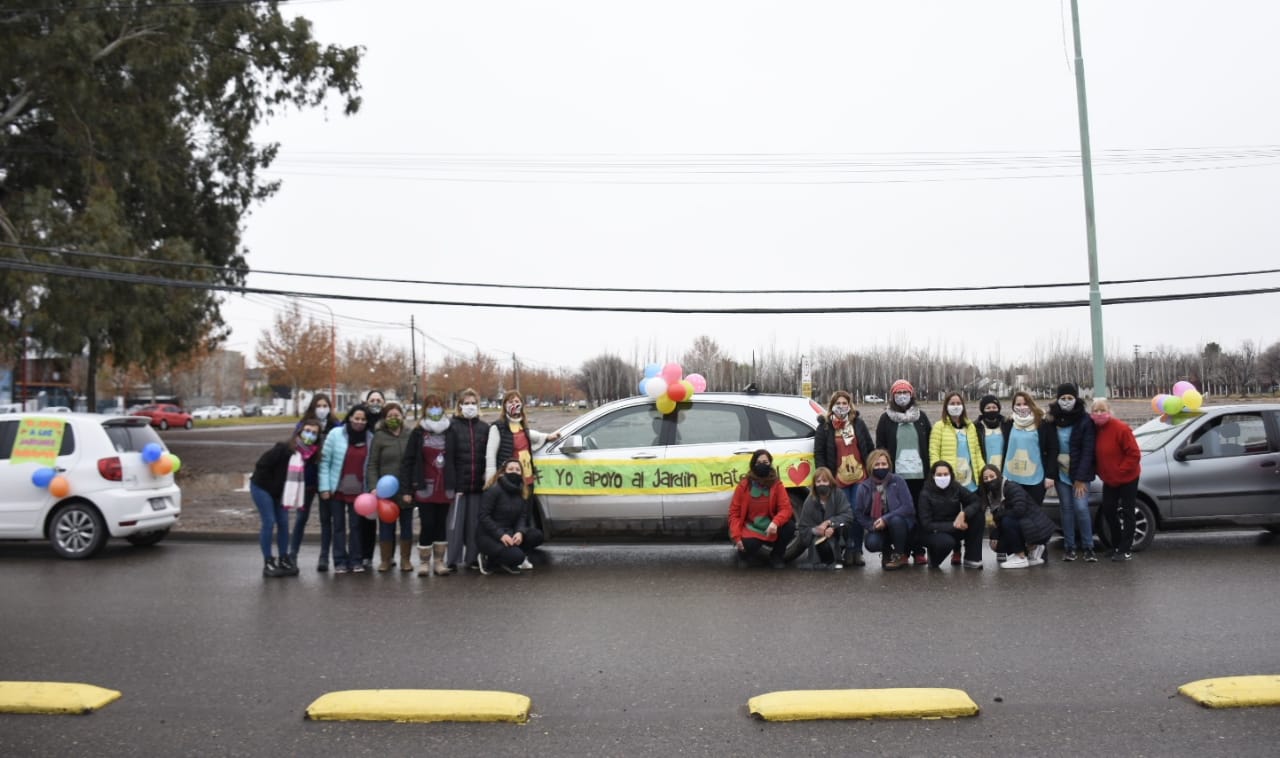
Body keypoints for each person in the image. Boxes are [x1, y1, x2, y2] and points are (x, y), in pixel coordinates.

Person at [249, 419, 322, 577]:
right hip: (262, 487)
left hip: (281, 493)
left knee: (283, 523)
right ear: (299, 432)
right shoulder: (283, 449)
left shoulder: (310, 455)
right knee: (269, 521)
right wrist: (273, 485)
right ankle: (268, 561)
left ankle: (283, 558)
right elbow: (261, 465)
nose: (310, 435)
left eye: (314, 433)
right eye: (307, 431)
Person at [812, 390, 874, 565]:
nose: (841, 406)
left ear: (849, 405)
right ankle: (846, 549)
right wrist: (825, 476)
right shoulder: (825, 427)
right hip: (838, 479)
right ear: (832, 406)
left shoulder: (858, 424)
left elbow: (869, 447)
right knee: (844, 516)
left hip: (860, 477)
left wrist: (871, 471)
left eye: (844, 403)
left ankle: (857, 550)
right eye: (837, 403)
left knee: (858, 513)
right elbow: (819, 453)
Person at [874, 379, 931, 565]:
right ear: (892, 396)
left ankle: (919, 551)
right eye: (898, 393)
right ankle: (904, 551)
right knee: (901, 515)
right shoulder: (886, 419)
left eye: (905, 392)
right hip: (896, 478)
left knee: (919, 513)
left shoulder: (921, 418)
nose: (902, 396)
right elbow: (880, 447)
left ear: (911, 394)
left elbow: (929, 444)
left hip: (919, 476)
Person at [929, 391, 985, 565]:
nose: (955, 406)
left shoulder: (970, 427)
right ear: (946, 406)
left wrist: (982, 473)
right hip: (950, 480)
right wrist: (937, 475)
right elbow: (933, 452)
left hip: (969, 480)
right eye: (952, 403)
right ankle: (956, 550)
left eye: (958, 403)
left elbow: (976, 452)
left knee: (974, 515)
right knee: (952, 515)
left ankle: (972, 553)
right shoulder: (939, 426)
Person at [400, 394, 452, 576]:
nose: (435, 409)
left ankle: (439, 561)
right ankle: (424, 562)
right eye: (431, 406)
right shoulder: (418, 433)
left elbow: (456, 458)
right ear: (425, 409)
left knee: (441, 524)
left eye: (438, 405)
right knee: (427, 524)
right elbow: (408, 461)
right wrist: (406, 489)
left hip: (445, 487)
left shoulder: (450, 430)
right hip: (424, 487)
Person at [1045, 382, 1097, 562]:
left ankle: (1088, 546)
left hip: (1080, 471)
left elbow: (1088, 451)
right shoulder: (1052, 419)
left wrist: (1081, 479)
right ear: (1057, 399)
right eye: (1063, 398)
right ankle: (1070, 547)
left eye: (1070, 398)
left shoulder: (1085, 420)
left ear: (1076, 399)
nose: (1066, 401)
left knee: (1081, 508)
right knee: (1066, 509)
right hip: (1061, 471)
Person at [319, 404, 373, 573]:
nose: (359, 422)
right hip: (336, 490)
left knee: (356, 527)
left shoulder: (370, 438)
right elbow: (324, 462)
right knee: (338, 526)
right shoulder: (335, 434)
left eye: (363, 419)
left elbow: (371, 465)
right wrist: (324, 487)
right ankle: (339, 561)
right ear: (349, 418)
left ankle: (356, 560)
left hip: (359, 492)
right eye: (356, 418)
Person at [289, 393, 339, 571]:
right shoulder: (304, 425)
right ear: (313, 407)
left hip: (326, 480)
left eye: (325, 406)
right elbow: (294, 445)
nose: (322, 409)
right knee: (301, 518)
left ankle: (324, 557)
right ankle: (292, 555)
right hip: (307, 479)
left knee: (326, 520)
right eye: (319, 405)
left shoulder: (335, 425)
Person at [443, 388, 490, 573]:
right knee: (455, 525)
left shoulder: (484, 428)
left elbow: (486, 457)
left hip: (477, 485)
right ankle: (452, 560)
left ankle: (472, 559)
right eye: (466, 403)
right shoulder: (452, 426)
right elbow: (449, 458)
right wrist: (453, 484)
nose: (470, 406)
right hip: (459, 487)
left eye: (473, 403)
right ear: (460, 405)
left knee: (474, 525)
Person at [1090, 398, 1141, 561]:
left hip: (1128, 477)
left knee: (1128, 511)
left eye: (1102, 410)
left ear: (1109, 411)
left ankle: (1126, 549)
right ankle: (1116, 544)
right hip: (1110, 479)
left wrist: (1120, 470)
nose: (1099, 414)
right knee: (1109, 510)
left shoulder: (1121, 428)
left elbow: (1134, 454)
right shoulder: (1096, 430)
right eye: (1096, 411)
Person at [728, 449, 796, 568]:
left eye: (765, 462)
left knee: (789, 527)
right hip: (750, 527)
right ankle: (743, 556)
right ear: (753, 464)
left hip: (771, 526)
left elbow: (786, 508)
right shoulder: (744, 485)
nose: (762, 465)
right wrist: (736, 536)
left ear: (770, 464)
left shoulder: (777, 484)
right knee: (748, 545)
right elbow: (734, 513)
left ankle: (777, 556)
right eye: (759, 463)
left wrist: (775, 522)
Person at [475, 458, 544, 575]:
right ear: (503, 472)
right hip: (489, 535)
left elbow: (522, 516)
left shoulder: (522, 491)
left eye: (517, 470)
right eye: (510, 469)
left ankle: (509, 560)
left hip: (510, 532)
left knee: (536, 535)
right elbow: (483, 516)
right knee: (517, 557)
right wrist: (501, 535)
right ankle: (488, 559)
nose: (514, 472)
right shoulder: (494, 489)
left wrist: (519, 532)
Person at [979, 464, 1054, 569]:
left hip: (1038, 528)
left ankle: (1020, 556)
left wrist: (999, 515)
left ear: (999, 475)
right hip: (1027, 525)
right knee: (999, 545)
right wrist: (994, 536)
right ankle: (1034, 552)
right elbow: (997, 519)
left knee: (1007, 521)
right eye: (985, 478)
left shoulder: (1011, 487)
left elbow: (1019, 510)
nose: (989, 480)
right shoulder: (991, 495)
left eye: (992, 476)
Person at [851, 449, 915, 570]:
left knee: (896, 520)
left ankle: (899, 555)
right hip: (877, 526)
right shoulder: (864, 487)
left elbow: (908, 506)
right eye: (877, 464)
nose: (881, 467)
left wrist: (885, 519)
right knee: (871, 543)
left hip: (900, 525)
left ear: (889, 465)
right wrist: (872, 526)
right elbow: (859, 513)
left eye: (884, 464)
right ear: (871, 466)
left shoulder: (898, 481)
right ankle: (887, 552)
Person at [916, 460, 984, 569]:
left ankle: (972, 558)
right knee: (947, 542)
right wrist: (954, 525)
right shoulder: (925, 493)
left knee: (978, 515)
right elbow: (926, 524)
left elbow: (976, 501)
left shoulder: (955, 487)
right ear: (933, 476)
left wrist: (964, 513)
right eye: (939, 475)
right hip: (934, 531)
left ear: (951, 475)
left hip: (956, 526)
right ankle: (934, 558)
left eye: (945, 474)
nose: (943, 477)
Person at [484, 389, 561, 485]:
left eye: (517, 401)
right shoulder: (497, 427)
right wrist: (491, 482)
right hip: (509, 481)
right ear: (504, 405)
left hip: (527, 478)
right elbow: (490, 457)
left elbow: (530, 434)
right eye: (510, 402)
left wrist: (547, 436)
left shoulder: (521, 425)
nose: (514, 404)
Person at [369, 401, 412, 572]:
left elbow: (415, 461)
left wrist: (412, 487)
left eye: (397, 415)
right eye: (390, 416)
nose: (394, 418)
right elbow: (372, 464)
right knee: (386, 526)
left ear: (402, 416)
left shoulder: (409, 434)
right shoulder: (379, 436)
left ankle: (405, 560)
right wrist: (373, 486)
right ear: (384, 419)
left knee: (407, 526)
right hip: (385, 491)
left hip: (406, 489)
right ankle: (386, 559)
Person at [998, 391, 1057, 507]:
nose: (1022, 407)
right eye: (1018, 404)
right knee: (1014, 511)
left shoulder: (1043, 423)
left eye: (1025, 404)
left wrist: (1050, 475)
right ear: (1013, 407)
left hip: (1036, 478)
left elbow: (1052, 449)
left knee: (1034, 511)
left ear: (1031, 404)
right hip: (1012, 477)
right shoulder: (1008, 423)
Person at [790, 467, 853, 569]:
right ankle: (820, 562)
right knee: (821, 543)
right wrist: (817, 531)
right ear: (814, 484)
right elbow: (802, 528)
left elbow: (848, 515)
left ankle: (842, 554)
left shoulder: (839, 494)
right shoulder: (809, 501)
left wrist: (830, 523)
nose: (821, 484)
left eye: (824, 481)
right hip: (818, 538)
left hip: (836, 532)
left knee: (844, 527)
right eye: (818, 482)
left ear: (830, 482)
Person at [356, 390, 387, 567]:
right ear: (367, 402)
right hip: (365, 477)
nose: (375, 403)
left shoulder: (387, 422)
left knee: (387, 519)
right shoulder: (363, 423)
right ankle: (365, 555)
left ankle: (387, 556)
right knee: (366, 519)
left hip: (386, 477)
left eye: (378, 400)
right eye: (372, 400)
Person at [976, 394, 1006, 469]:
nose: (991, 410)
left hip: (1004, 467)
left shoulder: (1006, 424)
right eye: (988, 408)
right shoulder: (977, 427)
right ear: (983, 410)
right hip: (986, 468)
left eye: (994, 407)